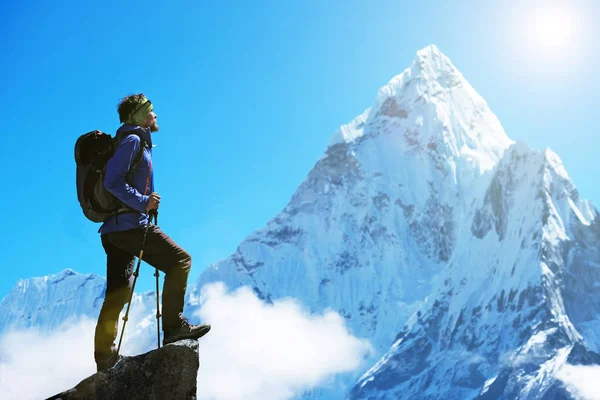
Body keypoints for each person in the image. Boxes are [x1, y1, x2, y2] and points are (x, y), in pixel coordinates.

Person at [94, 93, 211, 372]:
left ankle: (104, 358)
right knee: (180, 260)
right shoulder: (134, 140)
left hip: (114, 230)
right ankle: (173, 327)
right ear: (139, 115)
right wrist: (143, 201)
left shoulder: (132, 141)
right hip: (130, 225)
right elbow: (113, 181)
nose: (155, 115)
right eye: (151, 110)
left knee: (118, 293)